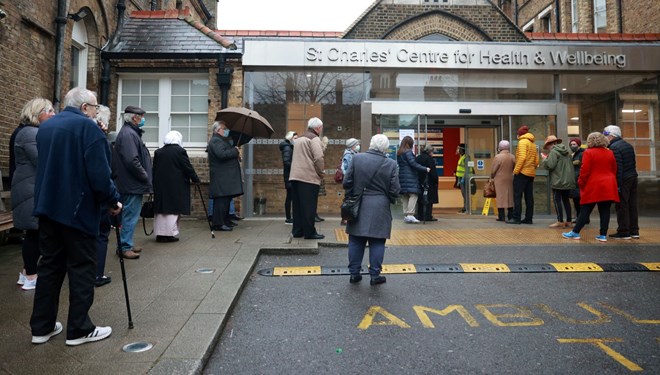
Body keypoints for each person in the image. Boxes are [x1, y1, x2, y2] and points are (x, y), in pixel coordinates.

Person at [30, 87, 121, 346]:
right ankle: (79, 328)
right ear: (84, 108)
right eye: (94, 107)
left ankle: (41, 327)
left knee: (49, 267)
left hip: (48, 208)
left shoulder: (46, 128)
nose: (95, 112)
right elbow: (100, 175)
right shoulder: (88, 128)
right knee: (81, 268)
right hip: (77, 211)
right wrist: (113, 201)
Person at [343, 134, 400, 285]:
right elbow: (395, 190)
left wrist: (354, 193)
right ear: (385, 148)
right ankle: (375, 276)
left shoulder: (357, 158)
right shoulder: (391, 164)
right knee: (377, 241)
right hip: (380, 206)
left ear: (370, 144)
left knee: (355, 239)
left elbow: (346, 182)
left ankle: (354, 274)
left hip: (359, 204)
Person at [11, 98, 55, 290]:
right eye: (50, 111)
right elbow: (43, 159)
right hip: (30, 188)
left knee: (34, 232)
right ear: (38, 114)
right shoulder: (30, 133)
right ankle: (31, 275)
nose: (54, 115)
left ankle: (26, 272)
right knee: (34, 232)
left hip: (29, 186)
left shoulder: (29, 132)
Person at [562, 132, 619, 242]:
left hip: (593, 184)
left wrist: (580, 182)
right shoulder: (610, 153)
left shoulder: (588, 152)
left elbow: (585, 171)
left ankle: (575, 232)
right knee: (605, 210)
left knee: (585, 210)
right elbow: (614, 169)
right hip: (608, 184)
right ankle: (602, 235)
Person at [112, 105, 152, 259]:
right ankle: (124, 246)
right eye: (141, 116)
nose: (143, 119)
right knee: (130, 215)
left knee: (130, 214)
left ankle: (126, 242)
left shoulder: (130, 133)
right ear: (134, 117)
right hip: (132, 184)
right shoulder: (129, 134)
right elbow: (131, 160)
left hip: (130, 183)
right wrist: (144, 176)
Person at [152, 131, 200, 242]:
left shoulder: (159, 152)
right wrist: (195, 179)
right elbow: (187, 167)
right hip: (176, 186)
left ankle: (160, 233)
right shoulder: (180, 151)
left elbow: (154, 169)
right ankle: (168, 234)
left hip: (161, 186)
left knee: (161, 211)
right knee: (172, 211)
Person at [289, 117, 325, 239]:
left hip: (295, 176)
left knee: (298, 206)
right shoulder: (314, 138)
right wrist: (321, 172)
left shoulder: (299, 138)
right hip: (308, 177)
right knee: (309, 206)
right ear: (318, 128)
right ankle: (310, 232)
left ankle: (297, 231)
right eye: (321, 128)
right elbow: (318, 158)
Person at [604, 125, 639, 240]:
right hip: (633, 177)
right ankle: (634, 231)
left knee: (622, 205)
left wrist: (617, 185)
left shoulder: (614, 147)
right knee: (632, 205)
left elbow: (618, 168)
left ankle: (623, 231)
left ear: (611, 135)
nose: (605, 137)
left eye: (606, 135)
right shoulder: (628, 145)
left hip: (624, 179)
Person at [208, 121, 244, 232]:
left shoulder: (220, 140)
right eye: (224, 128)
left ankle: (225, 220)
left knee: (226, 199)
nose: (226, 130)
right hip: (221, 177)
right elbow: (222, 155)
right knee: (221, 201)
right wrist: (234, 151)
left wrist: (235, 152)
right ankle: (218, 224)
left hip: (225, 177)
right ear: (217, 130)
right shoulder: (216, 141)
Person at [94, 105, 113, 287]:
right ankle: (97, 274)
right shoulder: (101, 142)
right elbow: (103, 174)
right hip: (97, 199)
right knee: (100, 234)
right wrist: (113, 200)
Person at [541, 135, 575, 228]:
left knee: (557, 200)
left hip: (558, 180)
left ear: (550, 144)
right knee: (566, 200)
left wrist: (544, 160)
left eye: (547, 146)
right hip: (568, 180)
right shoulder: (567, 151)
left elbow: (550, 165)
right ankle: (569, 221)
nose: (547, 148)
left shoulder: (554, 152)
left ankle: (560, 221)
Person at [507, 125, 539, 224]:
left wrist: (516, 171)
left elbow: (522, 158)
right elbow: (537, 160)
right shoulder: (532, 143)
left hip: (522, 173)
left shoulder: (522, 142)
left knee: (517, 196)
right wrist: (532, 168)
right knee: (529, 197)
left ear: (520, 134)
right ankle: (529, 218)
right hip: (530, 173)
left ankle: (516, 218)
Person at [397, 136, 430, 223]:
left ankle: (406, 214)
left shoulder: (399, 152)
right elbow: (413, 164)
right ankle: (410, 214)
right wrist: (425, 168)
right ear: (409, 143)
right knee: (413, 194)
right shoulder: (408, 152)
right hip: (410, 176)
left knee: (405, 195)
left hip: (402, 176)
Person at [490, 140, 515, 222]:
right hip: (510, 178)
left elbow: (493, 170)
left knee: (500, 197)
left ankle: (501, 216)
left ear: (500, 147)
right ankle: (510, 215)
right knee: (510, 197)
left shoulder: (498, 157)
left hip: (499, 179)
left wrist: (492, 176)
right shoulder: (512, 156)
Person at [415, 144, 438, 221]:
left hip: (419, 182)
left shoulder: (418, 158)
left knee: (420, 199)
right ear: (430, 151)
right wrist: (436, 181)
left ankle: (420, 215)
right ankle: (427, 216)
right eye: (432, 152)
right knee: (429, 200)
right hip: (429, 182)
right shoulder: (430, 159)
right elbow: (433, 172)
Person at [340, 137, 360, 225]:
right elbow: (345, 169)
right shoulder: (348, 155)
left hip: (353, 180)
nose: (358, 146)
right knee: (348, 199)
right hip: (351, 181)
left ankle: (348, 217)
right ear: (352, 146)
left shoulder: (354, 154)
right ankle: (345, 218)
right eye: (356, 144)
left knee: (350, 198)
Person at [280, 131, 297, 224]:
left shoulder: (289, 147)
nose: (296, 140)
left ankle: (289, 217)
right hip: (290, 175)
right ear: (290, 138)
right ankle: (288, 218)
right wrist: (296, 166)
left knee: (290, 196)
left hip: (290, 175)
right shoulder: (287, 147)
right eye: (295, 138)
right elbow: (286, 161)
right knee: (290, 197)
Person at [569, 137, 585, 223]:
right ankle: (579, 217)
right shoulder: (574, 154)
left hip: (579, 179)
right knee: (576, 200)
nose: (572, 146)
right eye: (571, 144)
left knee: (579, 200)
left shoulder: (582, 153)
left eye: (574, 144)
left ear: (578, 144)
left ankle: (582, 218)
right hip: (575, 179)